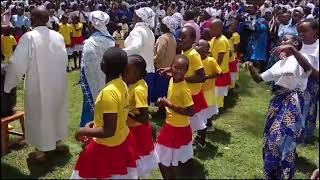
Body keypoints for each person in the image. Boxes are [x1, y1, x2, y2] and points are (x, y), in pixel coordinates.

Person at [4, 7, 68, 162]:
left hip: (39, 84)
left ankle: (41, 152)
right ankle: (57, 142)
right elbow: (65, 59)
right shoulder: (58, 36)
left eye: (32, 17)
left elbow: (17, 64)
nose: (30, 20)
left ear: (38, 19)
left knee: (40, 115)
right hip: (58, 83)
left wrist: (8, 85)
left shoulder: (29, 37)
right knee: (56, 111)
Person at [244, 35, 312, 179]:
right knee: (269, 138)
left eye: (285, 41)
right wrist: (250, 67)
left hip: (294, 102)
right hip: (278, 102)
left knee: (282, 139)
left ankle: (284, 175)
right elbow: (258, 79)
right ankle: (271, 173)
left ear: (294, 43)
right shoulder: (279, 64)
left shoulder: (302, 58)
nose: (281, 43)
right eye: (281, 41)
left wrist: (293, 50)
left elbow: (308, 69)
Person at [71, 47, 139, 179]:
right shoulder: (122, 84)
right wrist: (95, 123)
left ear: (103, 65)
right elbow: (116, 114)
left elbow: (108, 131)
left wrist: (82, 131)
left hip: (106, 146)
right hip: (122, 139)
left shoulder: (108, 93)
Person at [156, 55, 195, 179]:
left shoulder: (184, 90)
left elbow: (191, 111)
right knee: (169, 158)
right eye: (175, 67)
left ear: (186, 71)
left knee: (161, 158)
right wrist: (167, 70)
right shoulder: (173, 79)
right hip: (172, 124)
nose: (178, 71)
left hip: (176, 128)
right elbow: (174, 72)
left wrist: (169, 104)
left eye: (181, 69)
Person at [123, 54, 159, 178]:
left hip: (137, 131)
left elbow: (144, 117)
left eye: (127, 71)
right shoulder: (138, 83)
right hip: (133, 129)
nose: (123, 74)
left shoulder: (138, 90)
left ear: (138, 73)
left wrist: (125, 112)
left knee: (135, 162)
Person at [79, 10, 115, 128]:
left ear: (91, 24)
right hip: (108, 79)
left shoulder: (89, 43)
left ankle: (88, 131)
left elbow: (86, 67)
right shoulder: (110, 40)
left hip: (92, 80)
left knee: (90, 104)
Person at [124, 7, 156, 106]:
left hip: (137, 72)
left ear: (139, 17)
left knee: (134, 105)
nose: (133, 17)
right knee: (143, 104)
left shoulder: (137, 31)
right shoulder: (149, 31)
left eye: (135, 15)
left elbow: (136, 47)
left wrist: (120, 53)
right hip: (149, 70)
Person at [194, 39, 221, 148]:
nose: (196, 46)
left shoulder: (211, 61)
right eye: (196, 44)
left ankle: (202, 140)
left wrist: (207, 77)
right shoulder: (195, 60)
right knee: (200, 116)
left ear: (206, 50)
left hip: (207, 92)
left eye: (199, 45)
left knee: (203, 116)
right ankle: (200, 135)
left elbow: (219, 72)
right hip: (198, 91)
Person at [298, 18, 319, 143]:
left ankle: (302, 137)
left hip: (311, 85)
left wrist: (302, 63)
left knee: (306, 110)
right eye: (299, 31)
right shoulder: (298, 44)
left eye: (304, 31)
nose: (301, 35)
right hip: (296, 82)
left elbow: (317, 75)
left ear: (315, 31)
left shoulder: (317, 48)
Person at [153, 15, 177, 116]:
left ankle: (161, 111)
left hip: (161, 68)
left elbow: (159, 54)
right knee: (165, 89)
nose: (160, 25)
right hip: (169, 68)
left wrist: (152, 61)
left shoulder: (163, 38)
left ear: (166, 26)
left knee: (161, 89)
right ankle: (163, 109)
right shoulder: (172, 37)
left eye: (162, 24)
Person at [210, 19, 231, 109]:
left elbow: (220, 59)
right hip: (214, 68)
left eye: (213, 29)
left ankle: (218, 108)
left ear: (219, 28)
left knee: (218, 92)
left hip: (220, 70)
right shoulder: (214, 39)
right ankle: (214, 107)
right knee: (214, 91)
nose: (211, 30)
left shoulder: (222, 41)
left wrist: (214, 70)